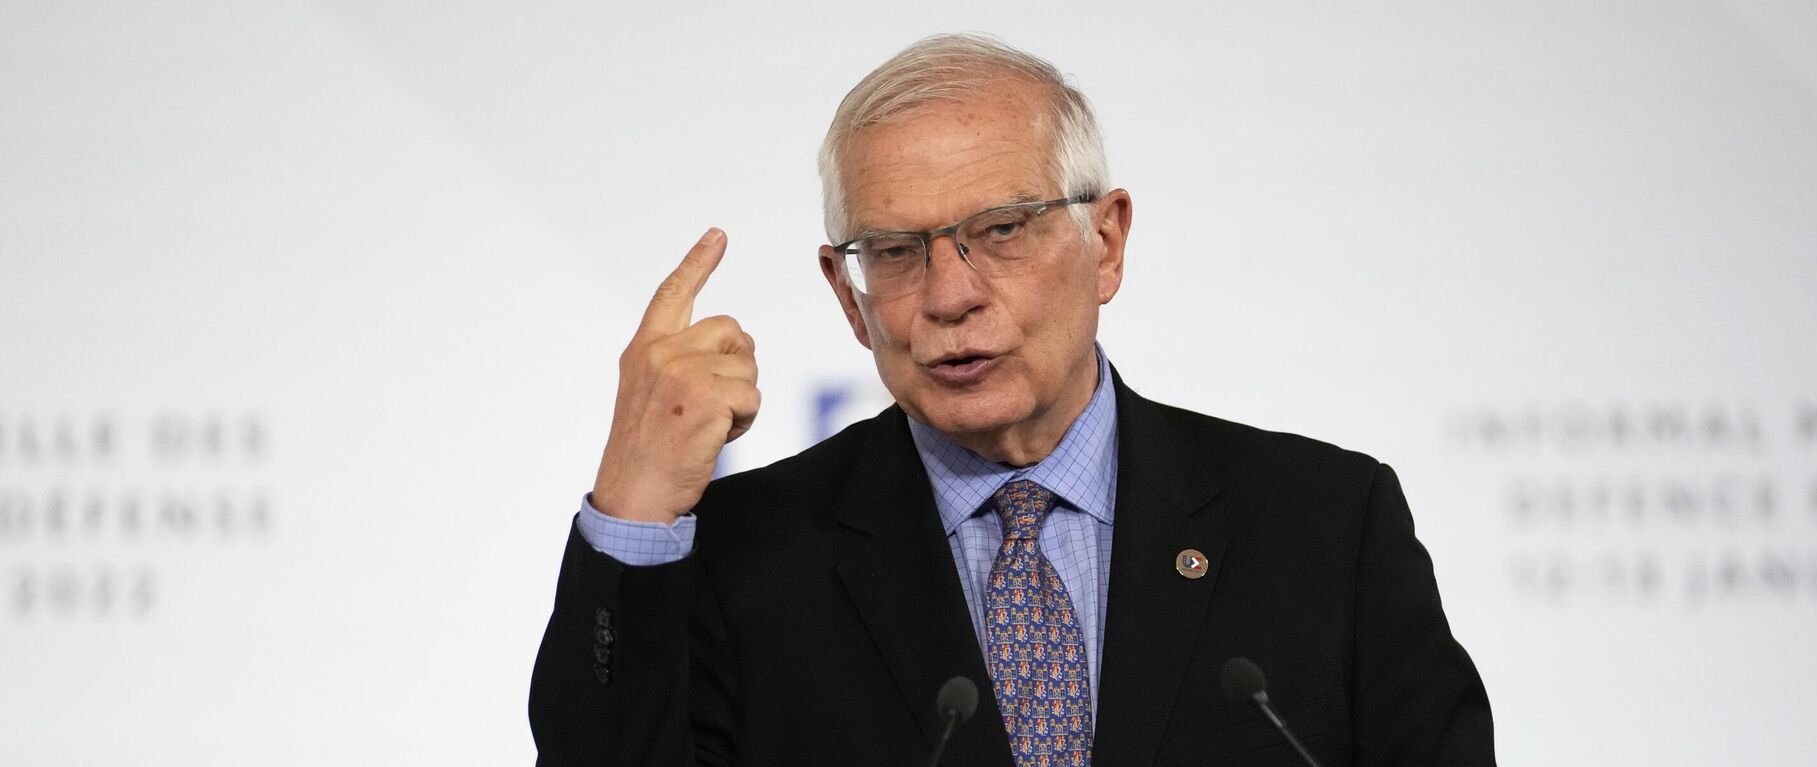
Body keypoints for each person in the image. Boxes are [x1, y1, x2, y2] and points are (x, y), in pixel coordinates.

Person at [530, 33, 1494, 766]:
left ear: (1106, 242)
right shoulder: (747, 558)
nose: (949, 296)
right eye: (896, 253)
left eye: (1000, 229)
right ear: (846, 296)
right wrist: (635, 506)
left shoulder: (1326, 525)